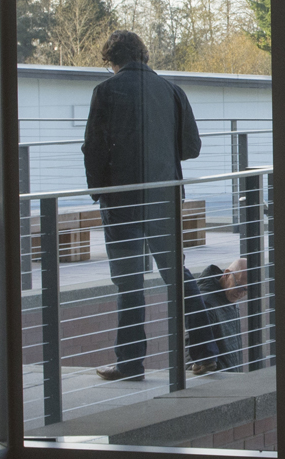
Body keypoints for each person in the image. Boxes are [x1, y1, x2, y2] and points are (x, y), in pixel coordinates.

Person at [83, 30, 202, 382]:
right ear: (143, 54)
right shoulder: (172, 90)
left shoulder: (106, 91)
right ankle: (207, 351)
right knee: (177, 274)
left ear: (111, 59)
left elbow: (93, 148)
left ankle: (130, 364)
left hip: (122, 201)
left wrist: (99, 191)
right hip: (165, 198)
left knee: (130, 282)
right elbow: (191, 148)